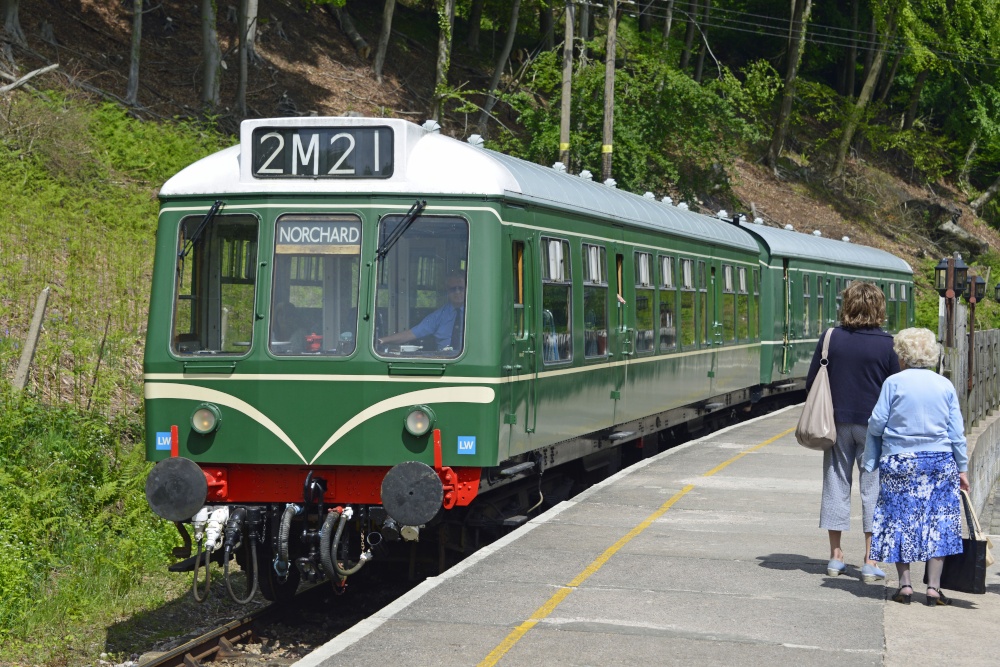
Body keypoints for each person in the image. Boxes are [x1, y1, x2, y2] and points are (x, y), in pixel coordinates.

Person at [863, 327, 968, 606]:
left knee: (900, 519)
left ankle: (906, 586)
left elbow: (876, 423)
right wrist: (963, 469)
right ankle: (933, 589)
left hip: (899, 461)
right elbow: (957, 433)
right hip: (940, 461)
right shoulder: (944, 385)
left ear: (903, 354)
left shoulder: (894, 383)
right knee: (939, 520)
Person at [806, 281, 899, 583]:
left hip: (837, 423)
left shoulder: (831, 338)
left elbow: (812, 384)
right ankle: (871, 560)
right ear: (878, 307)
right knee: (874, 491)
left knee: (836, 483)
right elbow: (897, 390)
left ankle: (835, 557)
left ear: (846, 305)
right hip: (875, 428)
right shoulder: (888, 345)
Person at [377, 273, 466, 353]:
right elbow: (411, 333)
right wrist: (382, 340)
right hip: (445, 362)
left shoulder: (477, 315)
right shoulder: (439, 315)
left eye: (461, 288)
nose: (457, 292)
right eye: (453, 289)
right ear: (447, 291)